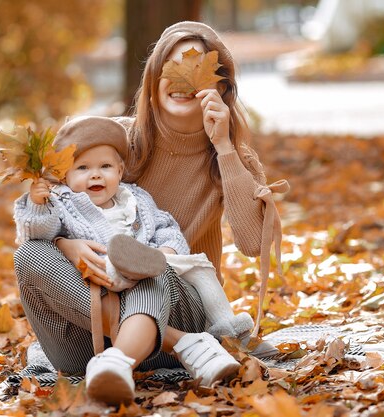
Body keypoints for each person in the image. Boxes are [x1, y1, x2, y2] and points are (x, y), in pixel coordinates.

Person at [13, 21, 287, 405]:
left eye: (198, 68)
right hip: (88, 325)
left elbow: (253, 243)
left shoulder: (233, 158)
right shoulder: (115, 144)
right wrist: (66, 244)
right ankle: (155, 354)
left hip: (178, 302)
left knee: (150, 266)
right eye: (172, 66)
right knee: (29, 254)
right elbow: (56, 205)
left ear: (221, 87)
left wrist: (224, 146)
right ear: (155, 77)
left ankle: (141, 351)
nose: (183, 78)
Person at [14, 115, 251, 404]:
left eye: (105, 166)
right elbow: (37, 231)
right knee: (29, 252)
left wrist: (162, 255)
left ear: (121, 170)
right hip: (86, 341)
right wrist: (52, 227)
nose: (96, 175)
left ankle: (119, 361)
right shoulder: (61, 202)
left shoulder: (137, 200)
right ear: (64, 176)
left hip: (153, 313)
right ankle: (182, 344)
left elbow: (168, 230)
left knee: (149, 264)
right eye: (83, 168)